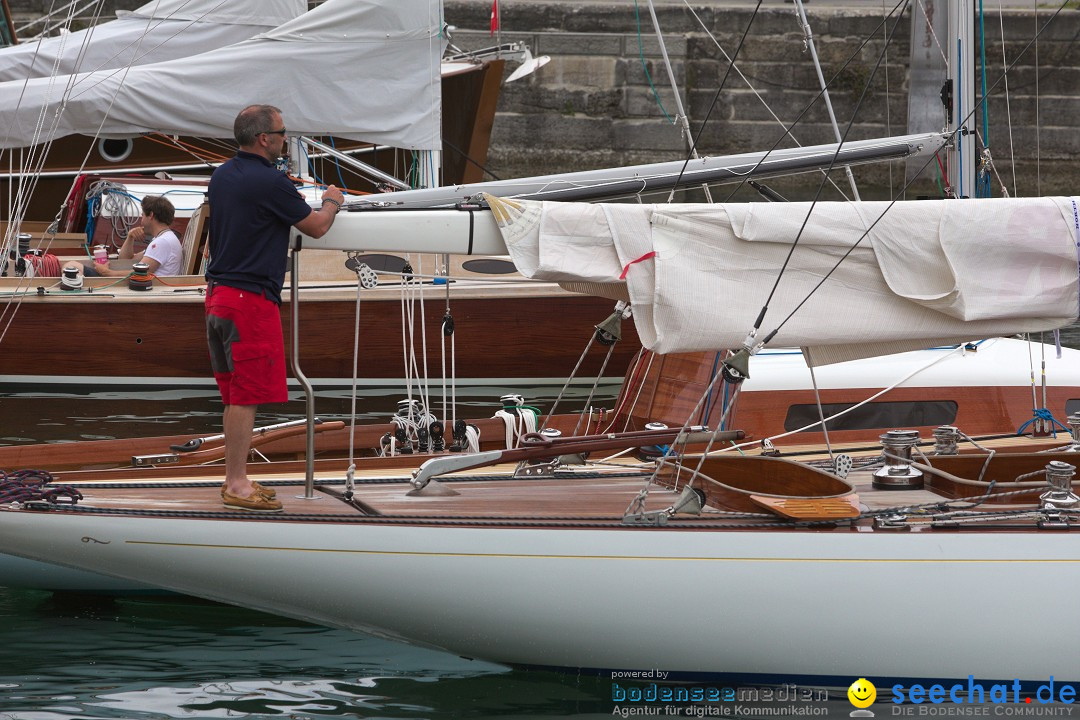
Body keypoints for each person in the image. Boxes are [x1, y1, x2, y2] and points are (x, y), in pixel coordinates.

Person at [205, 104, 344, 512]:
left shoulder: (223, 175)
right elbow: (316, 226)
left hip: (218, 296)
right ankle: (236, 483)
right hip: (249, 301)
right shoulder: (270, 182)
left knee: (234, 394)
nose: (286, 138)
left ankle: (236, 478)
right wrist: (333, 201)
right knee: (246, 396)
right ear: (264, 138)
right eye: (282, 133)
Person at [76, 195, 183, 277]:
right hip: (146, 288)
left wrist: (107, 272)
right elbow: (126, 259)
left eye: (142, 216)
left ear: (151, 215)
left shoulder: (162, 242)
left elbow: (141, 273)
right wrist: (130, 236)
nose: (141, 221)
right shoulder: (163, 239)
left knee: (73, 266)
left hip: (149, 292)